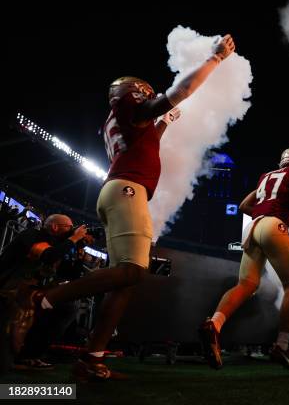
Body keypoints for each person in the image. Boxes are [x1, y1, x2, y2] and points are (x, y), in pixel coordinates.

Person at [8, 34, 236, 382]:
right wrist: (216, 59)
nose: (149, 94)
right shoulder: (130, 110)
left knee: (124, 282)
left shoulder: (121, 121)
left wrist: (166, 121)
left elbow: (149, 137)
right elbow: (182, 90)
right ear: (134, 92)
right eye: (145, 91)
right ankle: (43, 299)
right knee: (131, 272)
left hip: (117, 190)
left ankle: (92, 357)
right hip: (127, 190)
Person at [200, 147, 289, 370]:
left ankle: (214, 324)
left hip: (253, 227)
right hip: (274, 225)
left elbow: (243, 205)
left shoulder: (266, 177)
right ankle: (282, 346)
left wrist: (264, 213)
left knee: (246, 284)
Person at [1, 214, 89, 372]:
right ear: (55, 227)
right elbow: (49, 256)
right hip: (11, 286)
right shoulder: (33, 235)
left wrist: (79, 251)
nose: (72, 230)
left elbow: (72, 274)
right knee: (26, 306)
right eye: (69, 227)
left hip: (33, 289)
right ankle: (16, 355)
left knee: (67, 306)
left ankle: (32, 354)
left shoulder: (61, 245)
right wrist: (74, 239)